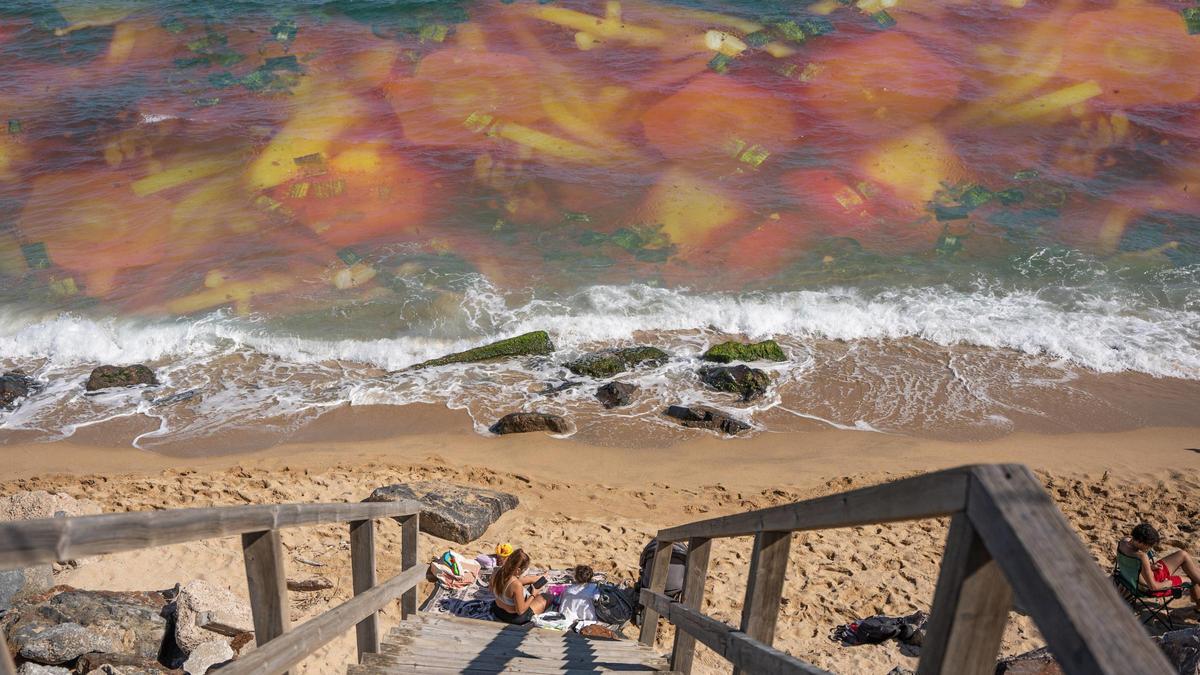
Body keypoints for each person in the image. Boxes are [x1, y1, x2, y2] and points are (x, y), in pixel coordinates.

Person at [1117, 522, 1200, 608]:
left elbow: (1132, 565)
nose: (1149, 548)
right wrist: (1169, 582)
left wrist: (1149, 567)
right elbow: (1154, 587)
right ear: (1141, 543)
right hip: (1150, 586)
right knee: (1191, 578)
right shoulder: (1142, 557)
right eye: (1149, 546)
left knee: (1182, 554)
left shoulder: (1123, 542)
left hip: (1135, 579)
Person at [489, 548, 548, 625]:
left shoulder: (496, 571)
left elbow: (491, 589)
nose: (523, 573)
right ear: (518, 571)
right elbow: (521, 611)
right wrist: (533, 594)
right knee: (546, 598)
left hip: (497, 610)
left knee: (520, 583)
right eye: (524, 570)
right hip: (513, 618)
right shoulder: (516, 585)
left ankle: (537, 578)